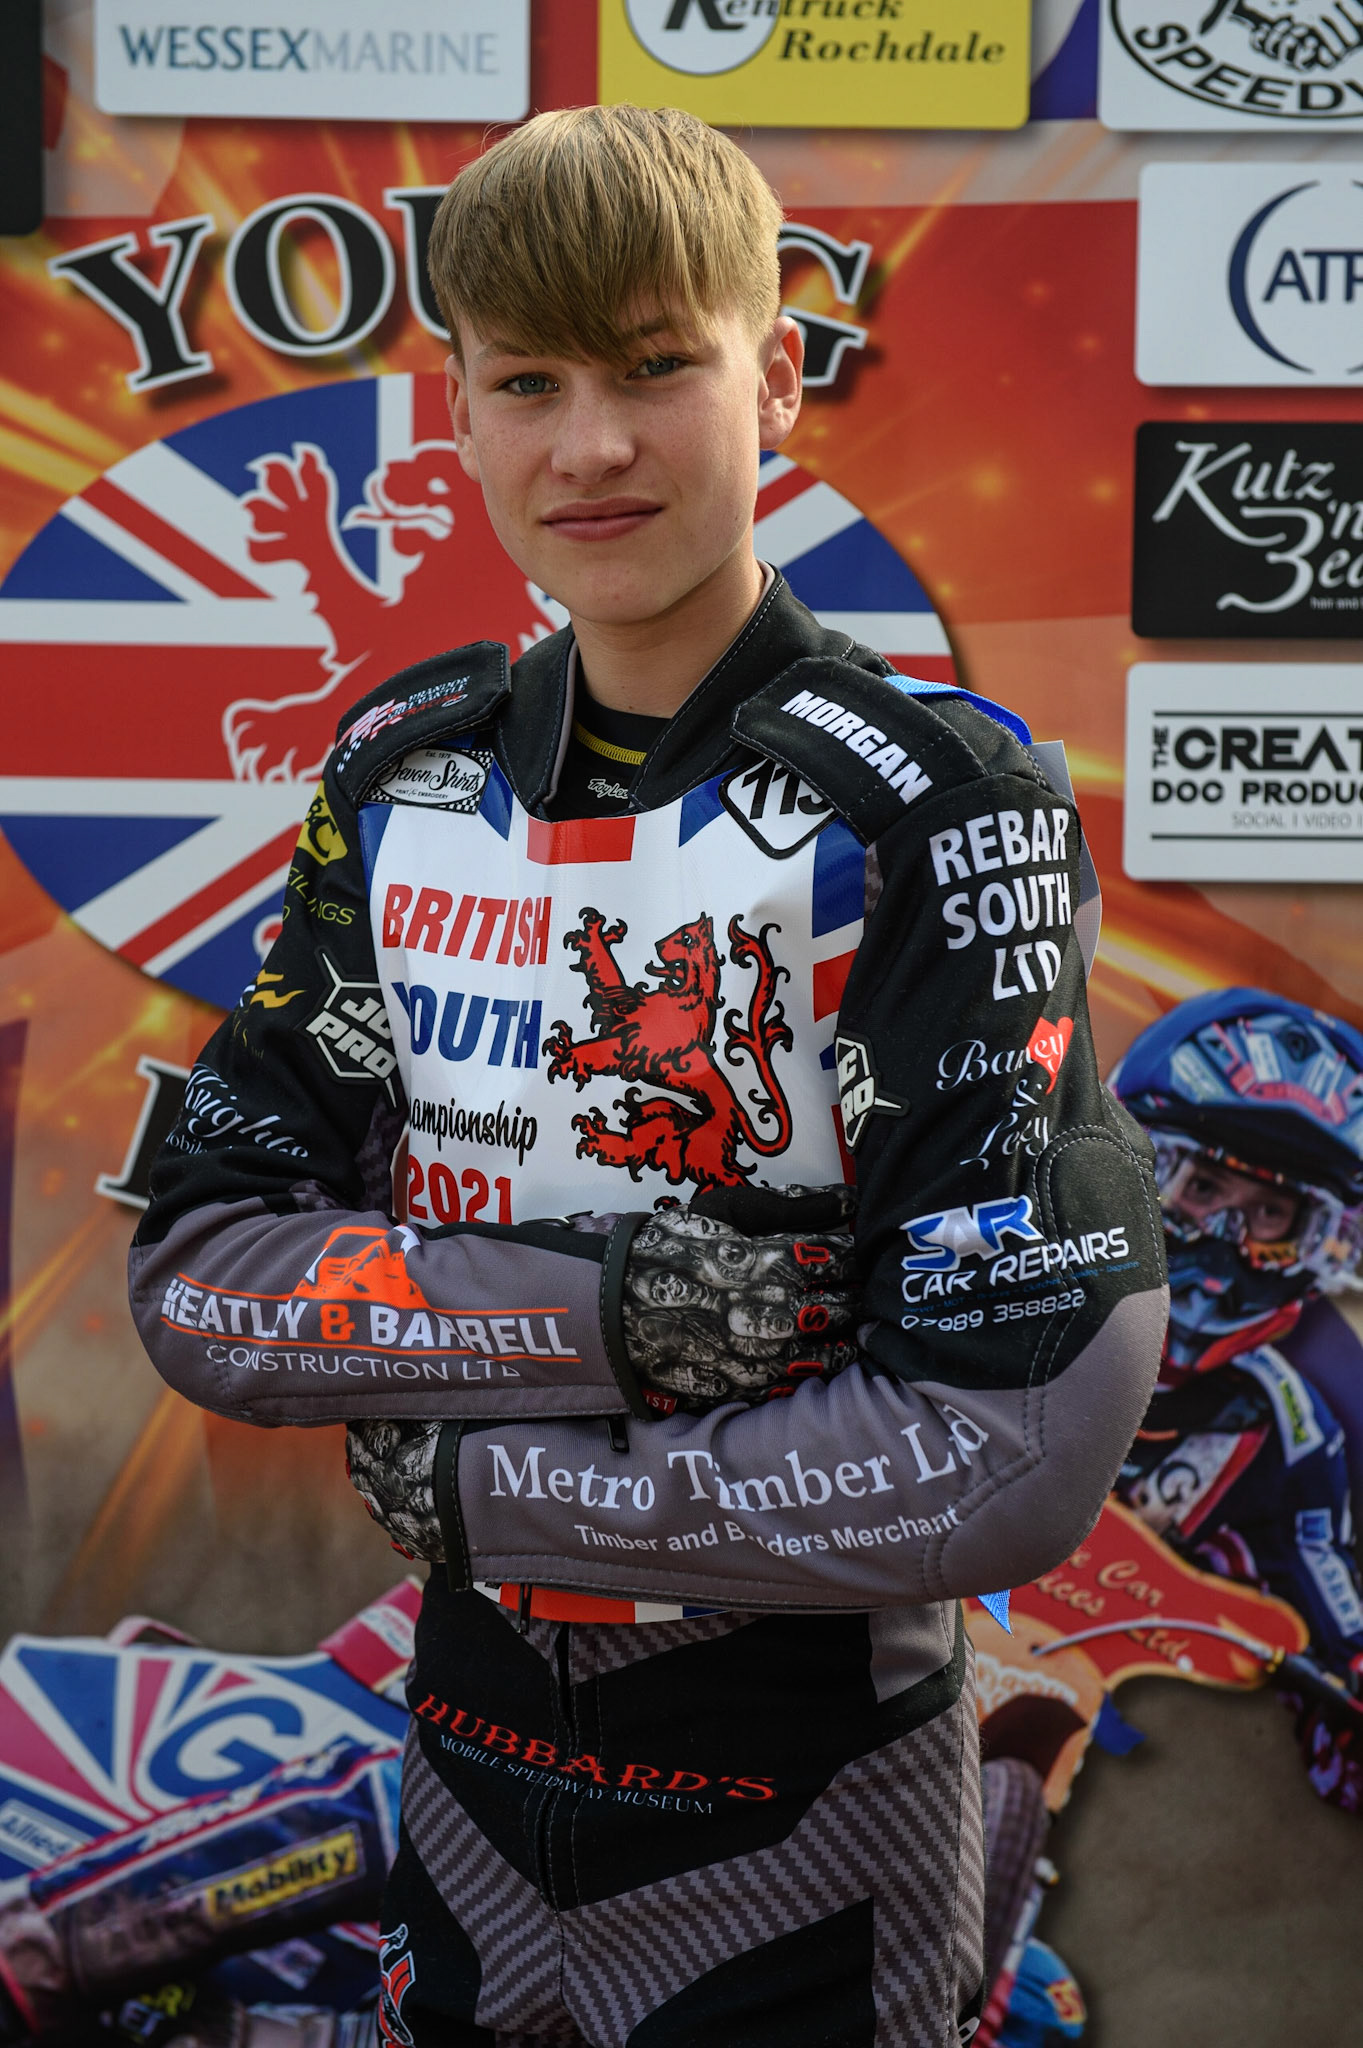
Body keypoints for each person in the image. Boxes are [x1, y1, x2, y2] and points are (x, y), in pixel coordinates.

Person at [128, 105, 1166, 2047]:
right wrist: (610, 1320)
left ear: (772, 372)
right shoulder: (399, 773)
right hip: (464, 1779)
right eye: (528, 380)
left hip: (809, 1808)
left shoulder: (941, 794)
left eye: (652, 367)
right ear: (458, 407)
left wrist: (490, 1480)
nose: (588, 443)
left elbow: (1016, 1435)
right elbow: (201, 1274)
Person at [1108, 987, 1363, 1810]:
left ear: (1313, 1242)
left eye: (1269, 1214)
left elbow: (1340, 1634)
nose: (1227, 1242)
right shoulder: (994, 1308)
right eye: (1205, 1188)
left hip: (1092, 1751)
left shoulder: (1284, 1428)